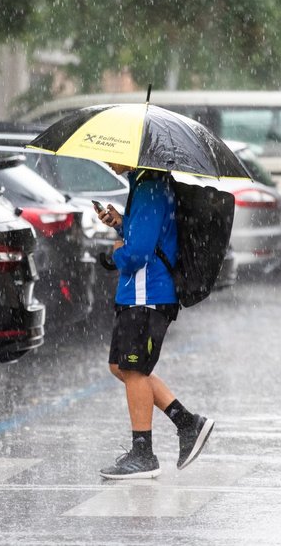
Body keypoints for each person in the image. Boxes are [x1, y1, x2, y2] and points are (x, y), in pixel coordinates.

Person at [95, 163, 214, 479]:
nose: (109, 162)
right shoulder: (143, 183)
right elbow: (147, 236)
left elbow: (139, 254)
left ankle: (143, 454)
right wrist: (121, 225)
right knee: (122, 367)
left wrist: (115, 255)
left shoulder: (150, 188)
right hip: (136, 294)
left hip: (147, 295)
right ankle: (187, 423)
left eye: (113, 156)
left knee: (134, 369)